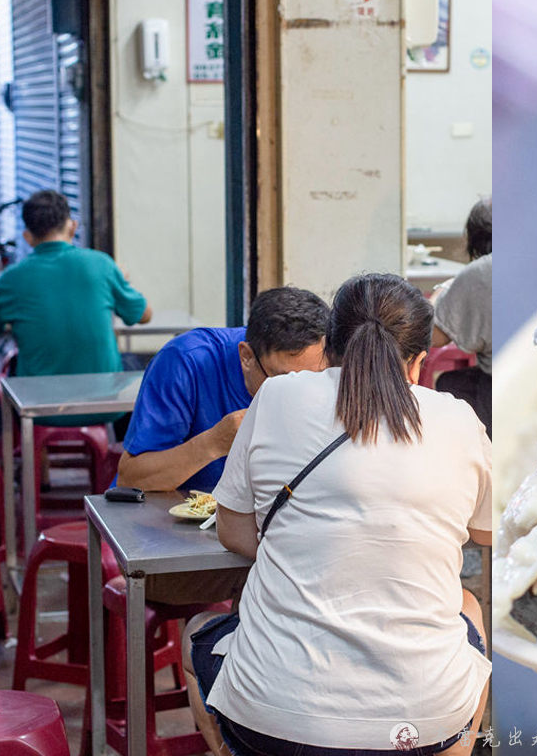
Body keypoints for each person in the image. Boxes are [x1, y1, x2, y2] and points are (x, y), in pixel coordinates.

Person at [184, 273, 492, 756]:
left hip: (272, 721)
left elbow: (233, 531)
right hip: (421, 726)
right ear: (418, 363)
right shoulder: (458, 418)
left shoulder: (277, 398)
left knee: (197, 632)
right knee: (468, 607)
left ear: (328, 344)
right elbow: (487, 531)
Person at [116, 286, 330, 493]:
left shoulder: (331, 371)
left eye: (313, 379)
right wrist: (214, 443)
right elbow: (132, 477)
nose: (298, 396)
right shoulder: (186, 361)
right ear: (246, 357)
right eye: (283, 380)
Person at [0, 189, 152, 426]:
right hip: (107, 403)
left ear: (28, 237)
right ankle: (119, 456)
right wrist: (121, 280)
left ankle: (27, 459)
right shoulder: (102, 264)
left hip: (37, 407)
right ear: (72, 227)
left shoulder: (13, 278)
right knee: (130, 365)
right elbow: (144, 315)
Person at [432, 197, 492, 436]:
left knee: (448, 385)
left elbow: (434, 337)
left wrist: (439, 294)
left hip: (499, 385)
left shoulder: (478, 273)